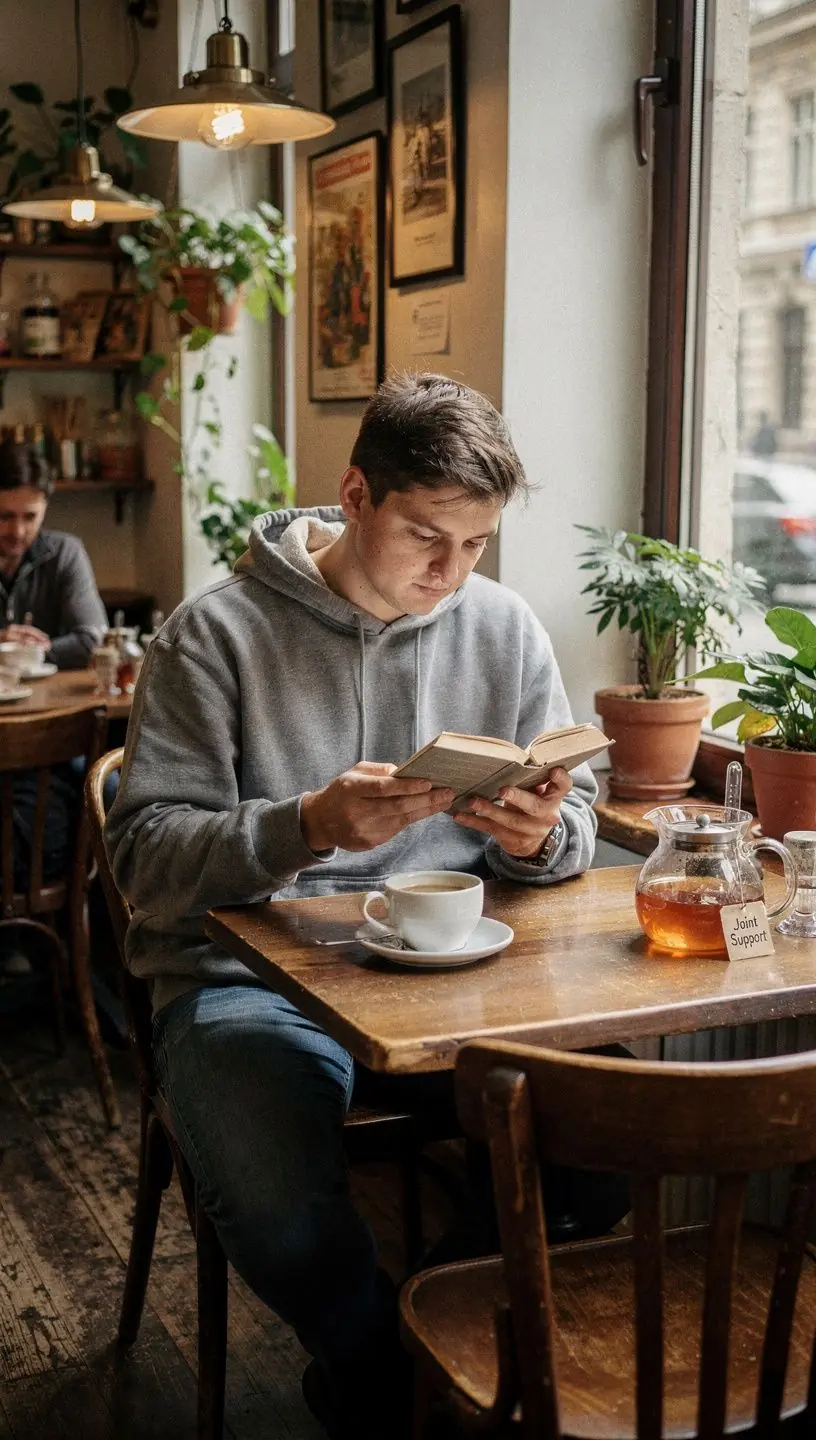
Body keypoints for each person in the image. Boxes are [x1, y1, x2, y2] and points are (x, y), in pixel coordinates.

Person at [105, 373, 600, 1438]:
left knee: (609, 1131)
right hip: (247, 981)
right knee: (279, 1206)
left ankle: (428, 1337)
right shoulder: (210, 639)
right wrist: (307, 828)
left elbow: (578, 813)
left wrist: (543, 834)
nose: (450, 574)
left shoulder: (501, 626)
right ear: (356, 493)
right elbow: (146, 859)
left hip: (466, 970)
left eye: (476, 546)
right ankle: (383, 1376)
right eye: (428, 536)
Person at [0, 436, 107, 668]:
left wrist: (22, 653)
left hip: (58, 702)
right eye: (5, 516)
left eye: (29, 517)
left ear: (45, 508)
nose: (17, 532)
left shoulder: (66, 554)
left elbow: (93, 640)